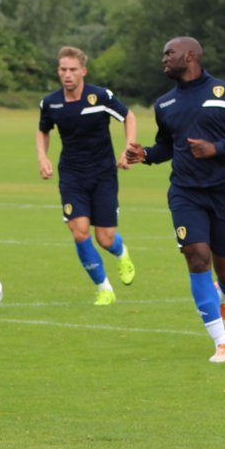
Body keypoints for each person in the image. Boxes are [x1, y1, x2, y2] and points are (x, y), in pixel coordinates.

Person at [123, 37, 225, 363]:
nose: (163, 59)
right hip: (185, 193)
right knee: (197, 258)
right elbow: (167, 147)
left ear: (189, 56)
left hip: (223, 193)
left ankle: (224, 296)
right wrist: (146, 155)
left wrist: (216, 149)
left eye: (168, 53)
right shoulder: (164, 104)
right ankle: (222, 343)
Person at [36, 46, 137, 305]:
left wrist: (129, 148)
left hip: (103, 174)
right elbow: (43, 130)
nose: (67, 74)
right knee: (80, 232)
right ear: (58, 71)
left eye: (72, 69)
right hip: (72, 175)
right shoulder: (51, 103)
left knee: (105, 238)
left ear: (83, 71)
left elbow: (128, 116)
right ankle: (104, 289)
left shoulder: (100, 96)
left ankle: (121, 253)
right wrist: (43, 157)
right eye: (63, 69)